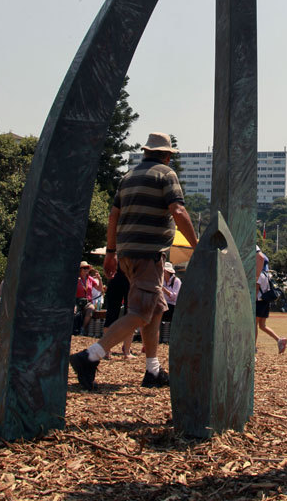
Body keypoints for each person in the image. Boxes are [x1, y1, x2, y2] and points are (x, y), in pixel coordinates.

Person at [70, 132, 198, 390]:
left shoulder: (128, 177)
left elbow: (113, 216)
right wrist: (198, 245)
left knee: (157, 309)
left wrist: (110, 252)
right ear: (167, 155)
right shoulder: (166, 174)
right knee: (141, 312)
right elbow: (178, 210)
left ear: (146, 151)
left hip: (127, 252)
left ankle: (153, 370)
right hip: (149, 253)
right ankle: (90, 356)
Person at [256, 251, 287, 354]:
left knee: (254, 325)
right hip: (266, 302)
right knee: (262, 325)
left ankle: (253, 346)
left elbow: (256, 290)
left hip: (259, 302)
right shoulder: (267, 275)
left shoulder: (259, 275)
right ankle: (279, 340)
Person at [76, 261, 103, 334]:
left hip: (87, 302)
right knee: (73, 310)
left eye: (87, 268)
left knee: (91, 309)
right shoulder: (76, 278)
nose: (86, 269)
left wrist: (100, 279)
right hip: (77, 300)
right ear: (80, 269)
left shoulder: (90, 279)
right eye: (84, 268)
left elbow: (100, 289)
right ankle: (72, 329)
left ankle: (83, 328)